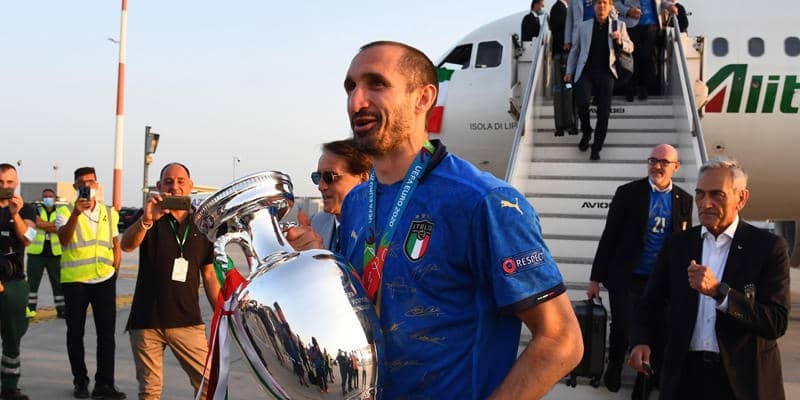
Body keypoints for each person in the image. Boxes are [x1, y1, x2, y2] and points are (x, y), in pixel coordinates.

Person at [289, 40, 583, 398]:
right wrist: (320, 264)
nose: (356, 101)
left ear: (423, 98)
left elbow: (561, 339)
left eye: (376, 83)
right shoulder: (357, 201)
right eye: (351, 87)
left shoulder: (483, 201)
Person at [629, 158, 791, 399]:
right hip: (685, 379)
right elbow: (651, 302)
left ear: (741, 198)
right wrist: (641, 341)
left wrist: (720, 292)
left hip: (741, 382)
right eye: (700, 194)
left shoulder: (767, 248)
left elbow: (775, 322)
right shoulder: (678, 244)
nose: (705, 203)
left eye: (717, 195)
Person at [586, 144, 692, 397]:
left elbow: (683, 241)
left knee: (656, 332)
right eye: (653, 160)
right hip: (626, 275)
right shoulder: (628, 193)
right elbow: (610, 236)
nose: (657, 166)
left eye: (663, 162)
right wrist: (595, 278)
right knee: (623, 326)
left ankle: (643, 384)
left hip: (660, 280)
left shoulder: (684, 200)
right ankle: (614, 366)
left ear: (676, 167)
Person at [120, 162, 221, 400]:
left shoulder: (203, 224)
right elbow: (127, 245)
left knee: (208, 385)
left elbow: (209, 274)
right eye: (168, 182)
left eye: (180, 181)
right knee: (150, 391)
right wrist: (147, 220)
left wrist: (222, 314)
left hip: (187, 321)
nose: (174, 187)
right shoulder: (149, 216)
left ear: (190, 186)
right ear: (159, 186)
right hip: (147, 321)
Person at [56, 167, 125, 400]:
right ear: (75, 187)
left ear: (97, 184)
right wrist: (76, 214)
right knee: (75, 333)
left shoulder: (109, 212)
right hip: (76, 282)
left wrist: (115, 268)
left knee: (106, 335)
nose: (87, 186)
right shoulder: (64, 212)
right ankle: (80, 381)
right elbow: (64, 240)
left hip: (104, 279)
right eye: (82, 182)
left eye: (91, 182)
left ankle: (105, 384)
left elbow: (115, 242)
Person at [565, 0, 634, 161]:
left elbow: (631, 47)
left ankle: (596, 147)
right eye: (598, 3)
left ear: (610, 6)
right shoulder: (583, 26)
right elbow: (575, 51)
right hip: (586, 72)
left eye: (605, 3)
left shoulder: (619, 26)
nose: (601, 6)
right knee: (582, 102)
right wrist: (569, 71)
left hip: (607, 73)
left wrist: (620, 41)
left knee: (603, 113)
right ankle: (587, 131)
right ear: (594, 6)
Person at [0, 163, 35, 400]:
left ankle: (10, 387)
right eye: (0, 182)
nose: (5, 187)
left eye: (9, 182)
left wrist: (15, 214)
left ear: (17, 183)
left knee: (13, 337)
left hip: (14, 283)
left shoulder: (27, 209)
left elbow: (28, 239)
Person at [309, 139, 371, 251]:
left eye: (329, 177)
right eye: (317, 177)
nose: (321, 186)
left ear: (363, 179)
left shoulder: (381, 229)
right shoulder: (316, 223)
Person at [614, 0, 678, 101]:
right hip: (630, 24)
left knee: (648, 58)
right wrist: (628, 11)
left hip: (652, 25)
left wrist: (670, 6)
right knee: (631, 58)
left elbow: (662, 1)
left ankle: (645, 88)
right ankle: (630, 88)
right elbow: (615, 2)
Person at [26, 188, 66, 319]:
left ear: (55, 198)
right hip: (36, 254)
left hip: (55, 254)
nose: (48, 198)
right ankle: (30, 309)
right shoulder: (35, 209)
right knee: (32, 284)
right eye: (45, 196)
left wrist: (44, 224)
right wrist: (52, 225)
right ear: (42, 198)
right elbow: (37, 223)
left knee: (58, 284)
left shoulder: (61, 211)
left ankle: (62, 310)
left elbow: (60, 228)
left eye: (50, 196)